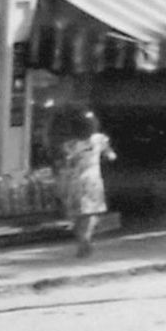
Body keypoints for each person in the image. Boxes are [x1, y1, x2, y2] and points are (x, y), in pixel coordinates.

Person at [60, 110, 115, 258]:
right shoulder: (99, 139)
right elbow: (111, 156)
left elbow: (66, 163)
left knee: (77, 215)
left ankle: (81, 242)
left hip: (75, 182)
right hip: (92, 181)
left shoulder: (69, 145)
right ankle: (86, 240)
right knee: (91, 213)